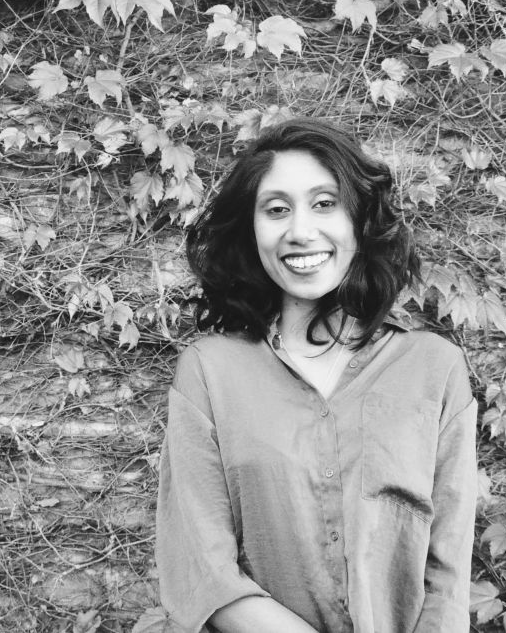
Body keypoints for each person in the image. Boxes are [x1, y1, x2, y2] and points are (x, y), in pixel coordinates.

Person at [156, 118, 476, 632]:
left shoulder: (433, 369)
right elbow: (202, 570)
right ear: (252, 230)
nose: (301, 230)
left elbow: (447, 576)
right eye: (277, 209)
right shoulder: (210, 372)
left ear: (359, 220)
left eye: (324, 203)